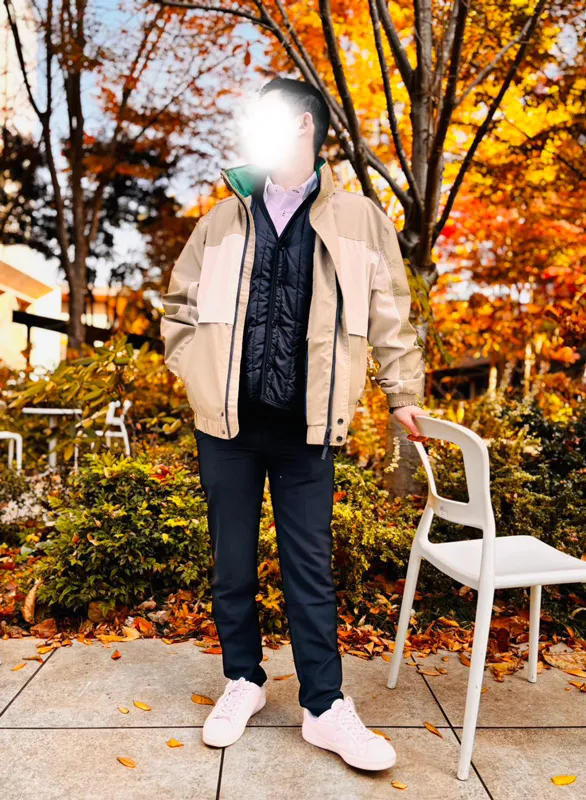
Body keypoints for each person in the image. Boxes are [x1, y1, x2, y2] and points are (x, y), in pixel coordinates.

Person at [161, 77, 428, 771]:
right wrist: (193, 369)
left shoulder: (359, 219)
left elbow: (391, 312)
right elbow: (178, 308)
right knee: (232, 563)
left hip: (308, 425)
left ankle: (324, 706)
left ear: (304, 126)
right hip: (226, 424)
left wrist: (403, 391)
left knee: (310, 568)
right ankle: (243, 681)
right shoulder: (222, 219)